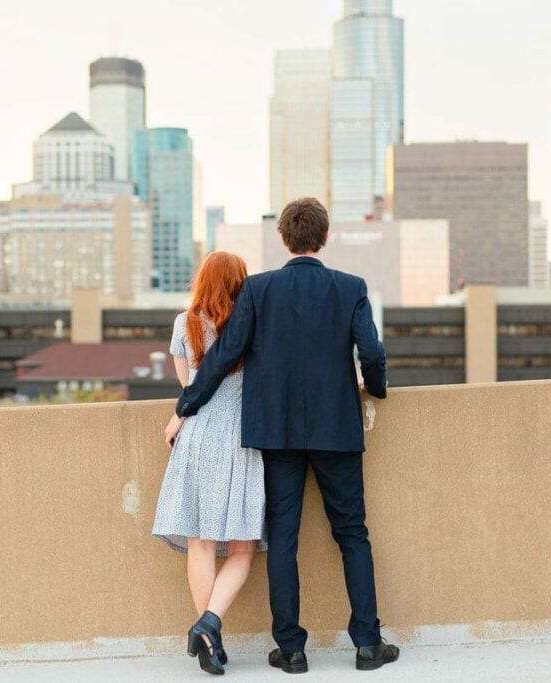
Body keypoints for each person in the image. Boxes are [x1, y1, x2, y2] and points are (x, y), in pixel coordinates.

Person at [164, 197, 400, 674]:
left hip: (277, 434)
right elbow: (371, 353)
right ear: (325, 237)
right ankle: (368, 644)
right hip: (337, 429)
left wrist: (185, 407)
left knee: (284, 540)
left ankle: (291, 650)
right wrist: (375, 389)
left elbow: (224, 354)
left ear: (283, 238)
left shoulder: (259, 289)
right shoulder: (351, 287)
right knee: (353, 534)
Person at [152, 251, 267, 676]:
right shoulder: (251, 323)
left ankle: (207, 635)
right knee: (243, 545)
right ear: (241, 282)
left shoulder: (185, 323)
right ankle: (207, 626)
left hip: (197, 435)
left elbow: (189, 386)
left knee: (200, 542)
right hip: (243, 438)